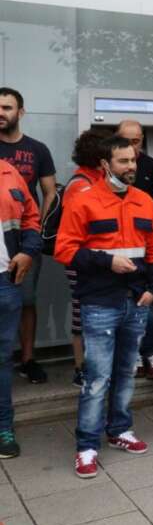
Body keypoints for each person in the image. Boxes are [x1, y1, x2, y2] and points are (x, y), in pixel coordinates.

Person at [54, 136, 153, 477]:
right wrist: (106, 262)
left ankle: (119, 430)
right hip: (100, 302)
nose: (131, 167)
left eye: (133, 161)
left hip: (137, 302)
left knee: (126, 373)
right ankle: (87, 445)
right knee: (98, 378)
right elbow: (64, 250)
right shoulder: (83, 199)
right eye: (123, 162)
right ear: (105, 164)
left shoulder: (144, 200)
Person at [0, 87, 56, 385]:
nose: (1, 113)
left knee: (26, 300)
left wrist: (37, 232)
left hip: (26, 242)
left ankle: (27, 359)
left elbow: (49, 193)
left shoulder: (37, 149)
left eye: (7, 107)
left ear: (20, 112)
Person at [60, 130, 112, 387]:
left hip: (96, 258)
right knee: (83, 314)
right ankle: (81, 368)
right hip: (82, 259)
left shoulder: (98, 179)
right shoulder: (81, 184)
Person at [117, 121, 153, 379]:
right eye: (127, 141)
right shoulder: (111, 168)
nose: (132, 148)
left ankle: (152, 353)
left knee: (147, 304)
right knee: (128, 304)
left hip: (147, 248)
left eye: (136, 141)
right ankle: (133, 353)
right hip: (118, 250)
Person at [0, 157, 41, 459]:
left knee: (2, 357)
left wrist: (28, 251)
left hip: (5, 280)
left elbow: (30, 217)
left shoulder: (8, 171)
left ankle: (3, 428)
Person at [116, 120, 153, 213]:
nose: (131, 146)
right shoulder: (109, 164)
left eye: (135, 141)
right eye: (126, 142)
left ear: (142, 139)